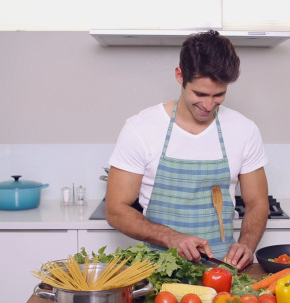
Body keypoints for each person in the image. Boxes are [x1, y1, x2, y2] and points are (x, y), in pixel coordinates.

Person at [105, 30, 269, 270]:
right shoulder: (141, 128)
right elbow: (115, 210)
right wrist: (171, 238)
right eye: (200, 94)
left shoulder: (244, 130)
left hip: (223, 270)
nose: (208, 105)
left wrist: (246, 243)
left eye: (219, 95)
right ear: (180, 76)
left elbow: (257, 202)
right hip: (158, 272)